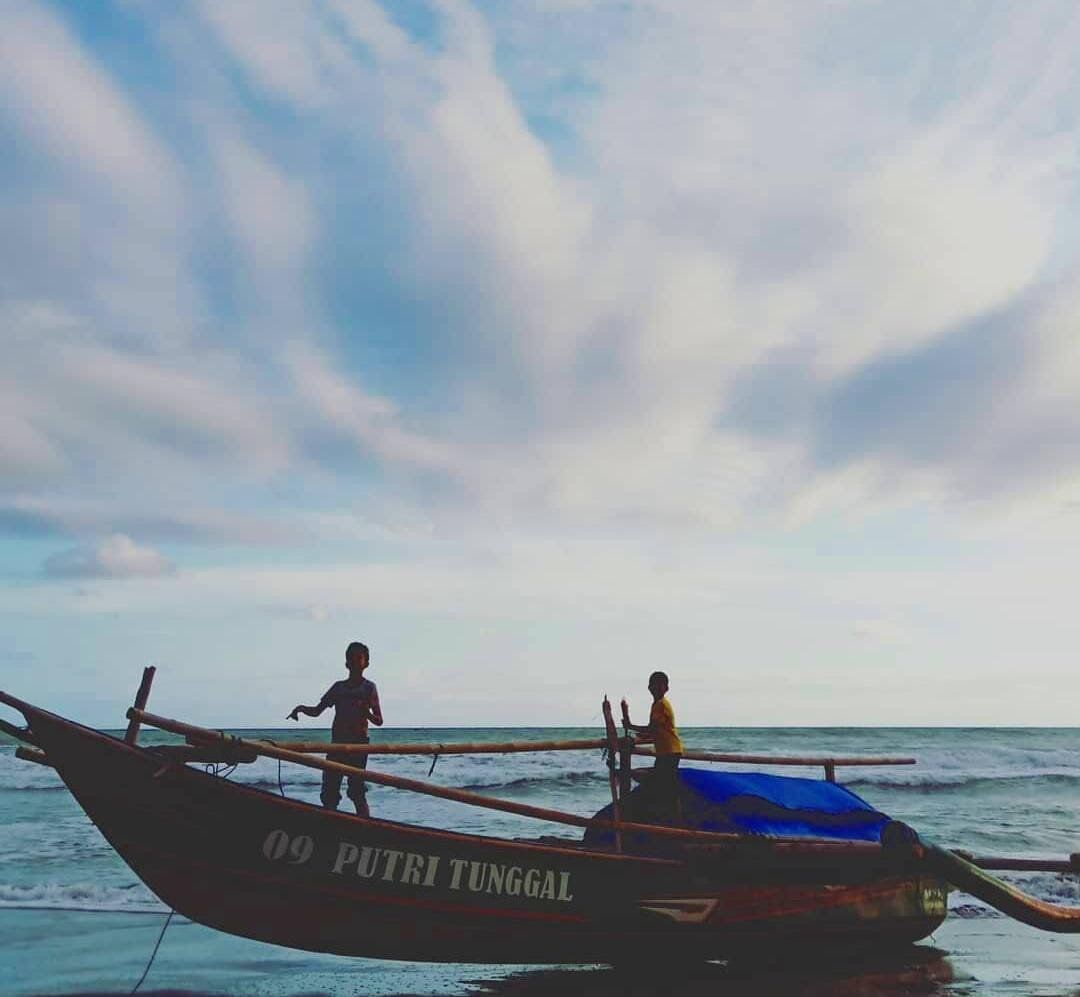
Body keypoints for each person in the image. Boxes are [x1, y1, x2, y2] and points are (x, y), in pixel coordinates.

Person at [288, 641, 383, 817]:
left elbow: (379, 720)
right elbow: (317, 711)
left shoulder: (369, 687)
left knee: (356, 791)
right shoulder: (338, 687)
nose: (354, 662)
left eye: (358, 659)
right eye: (351, 659)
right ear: (346, 663)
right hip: (337, 744)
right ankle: (330, 824)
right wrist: (301, 708)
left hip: (359, 745)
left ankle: (365, 827)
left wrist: (366, 713)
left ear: (366, 663)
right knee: (330, 791)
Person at [621, 671, 683, 819]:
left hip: (669, 751)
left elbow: (652, 728)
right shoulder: (656, 705)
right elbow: (657, 730)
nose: (654, 688)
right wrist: (641, 734)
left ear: (666, 688)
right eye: (652, 685)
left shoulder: (661, 705)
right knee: (667, 786)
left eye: (659, 686)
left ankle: (672, 818)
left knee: (663, 786)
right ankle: (671, 816)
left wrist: (630, 725)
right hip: (667, 751)